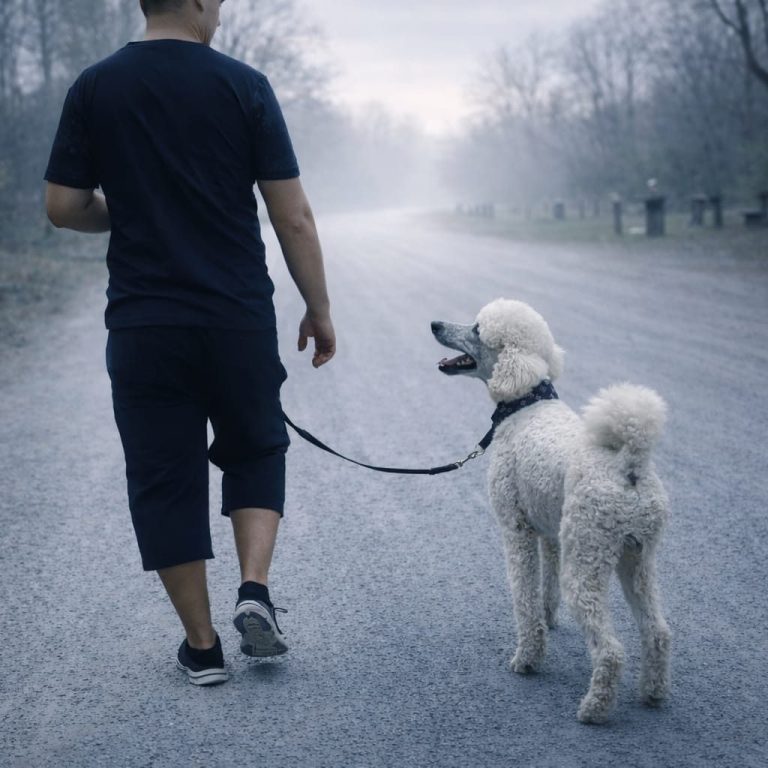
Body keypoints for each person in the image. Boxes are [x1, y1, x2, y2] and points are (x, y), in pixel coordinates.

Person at [44, 0, 335, 686]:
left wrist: (136, 210)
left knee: (163, 476)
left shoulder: (94, 86)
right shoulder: (244, 85)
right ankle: (254, 590)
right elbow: (291, 216)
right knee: (256, 445)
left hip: (145, 324)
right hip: (236, 316)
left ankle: (202, 648)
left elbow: (64, 207)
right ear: (200, 1)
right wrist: (318, 307)